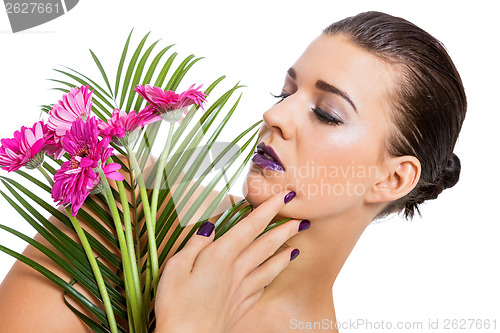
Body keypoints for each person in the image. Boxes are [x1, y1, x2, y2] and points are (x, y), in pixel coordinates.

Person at [0, 11, 466, 333]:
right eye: (285, 93)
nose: (275, 117)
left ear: (392, 179)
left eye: (326, 113)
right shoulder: (126, 216)